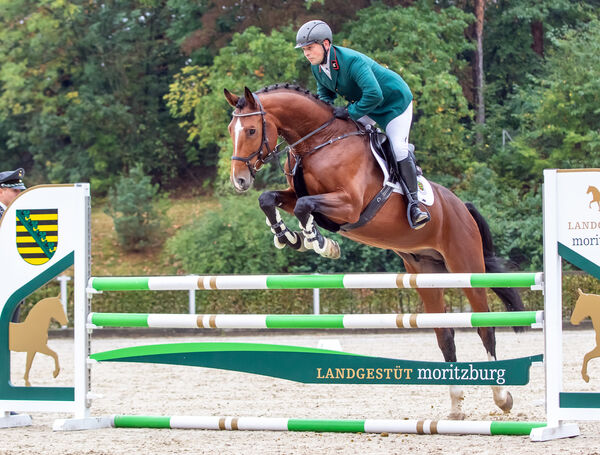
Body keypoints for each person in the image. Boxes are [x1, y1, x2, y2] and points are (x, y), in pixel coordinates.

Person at [295, 20, 430, 229]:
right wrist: (324, 116)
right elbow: (325, 94)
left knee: (398, 148)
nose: (307, 54)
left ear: (326, 44)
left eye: (310, 48)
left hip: (394, 103)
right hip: (368, 105)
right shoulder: (318, 68)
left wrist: (349, 112)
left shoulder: (352, 61)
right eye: (304, 50)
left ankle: (415, 205)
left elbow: (375, 94)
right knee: (346, 136)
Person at [0, 168, 26, 324]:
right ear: (1, 191)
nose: (18, 194)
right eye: (14, 190)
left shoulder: (16, 214)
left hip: (12, 281)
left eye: (20, 191)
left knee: (10, 334)